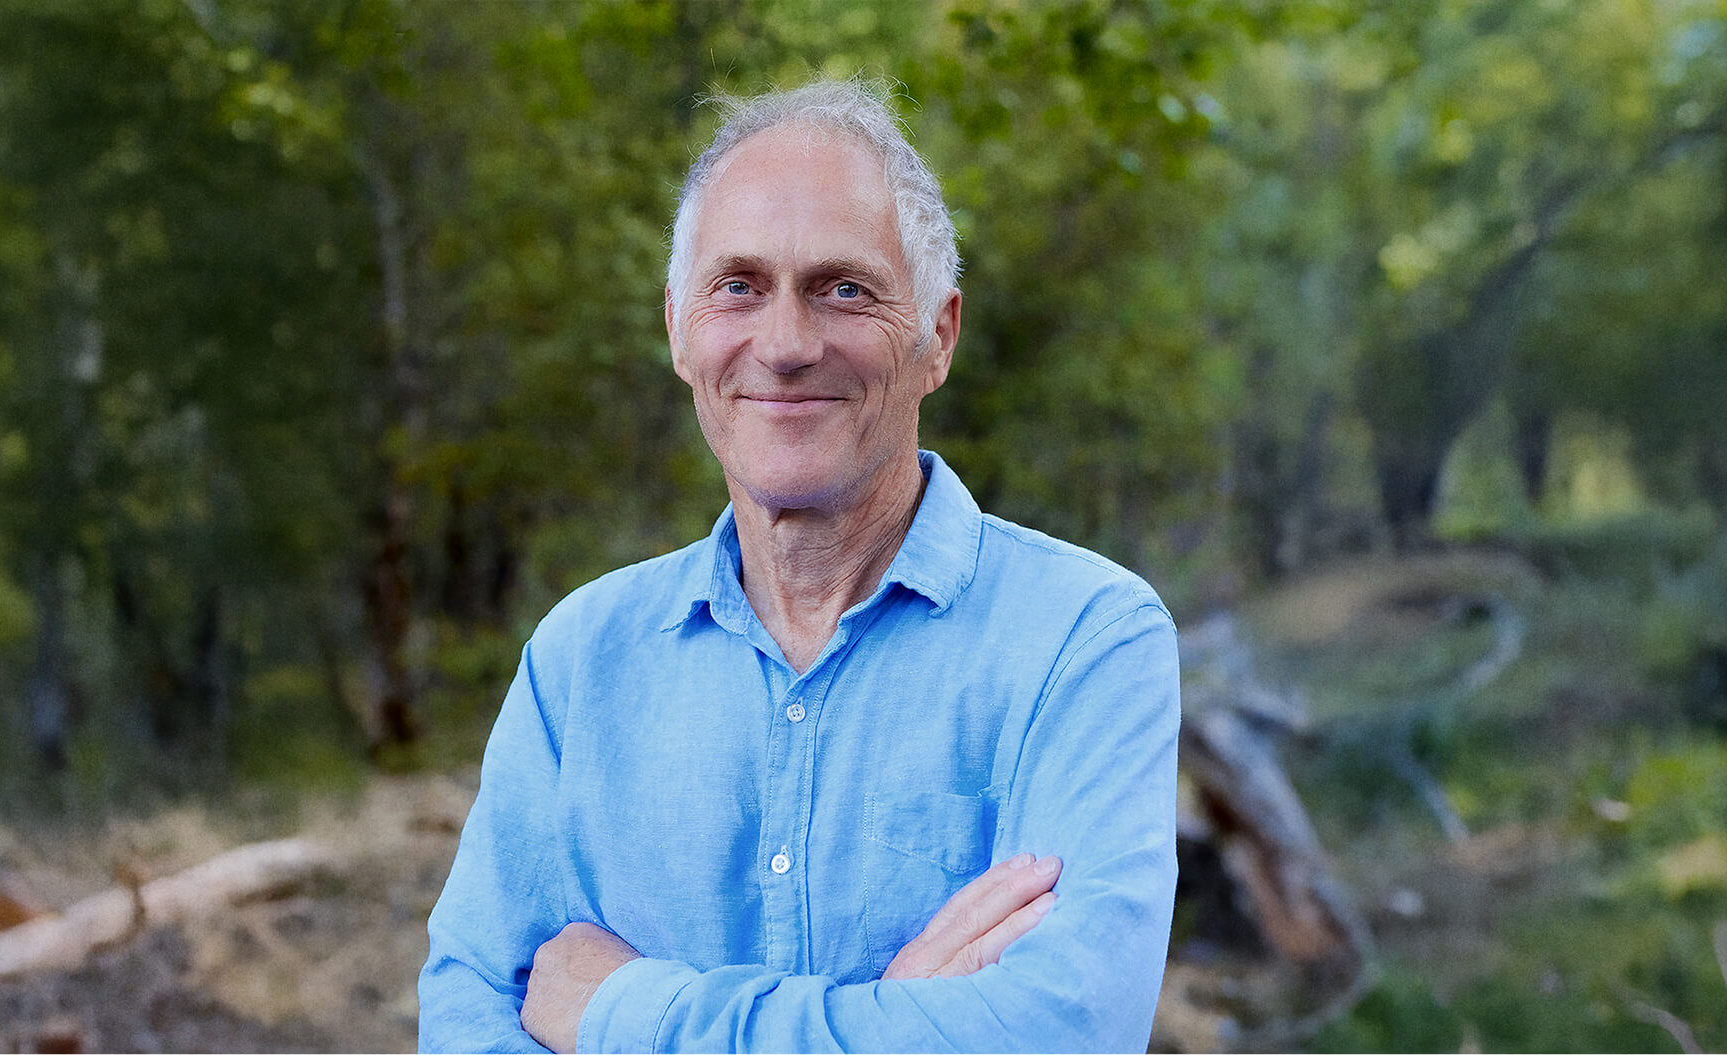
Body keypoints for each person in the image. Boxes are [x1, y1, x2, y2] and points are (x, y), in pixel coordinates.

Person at [419, 78, 1180, 1054]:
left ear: (937, 335)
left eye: (844, 288)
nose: (783, 344)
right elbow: (465, 1019)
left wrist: (619, 1010)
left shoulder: (1083, 640)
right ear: (678, 328)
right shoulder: (580, 661)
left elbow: (1058, 1031)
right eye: (738, 285)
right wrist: (896, 1016)